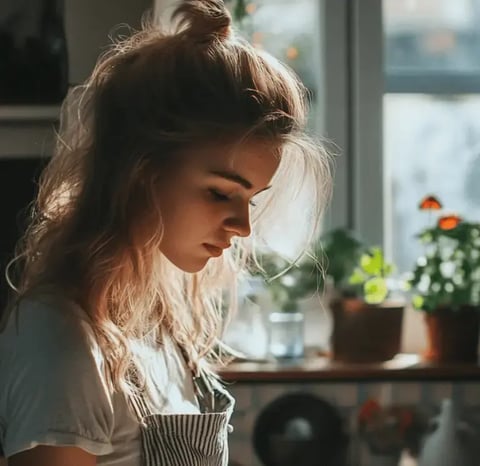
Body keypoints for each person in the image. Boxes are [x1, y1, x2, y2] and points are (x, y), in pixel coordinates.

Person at [0, 0, 332, 465]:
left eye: (250, 198)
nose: (242, 227)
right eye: (220, 193)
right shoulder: (65, 340)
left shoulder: (157, 326)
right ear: (139, 171)